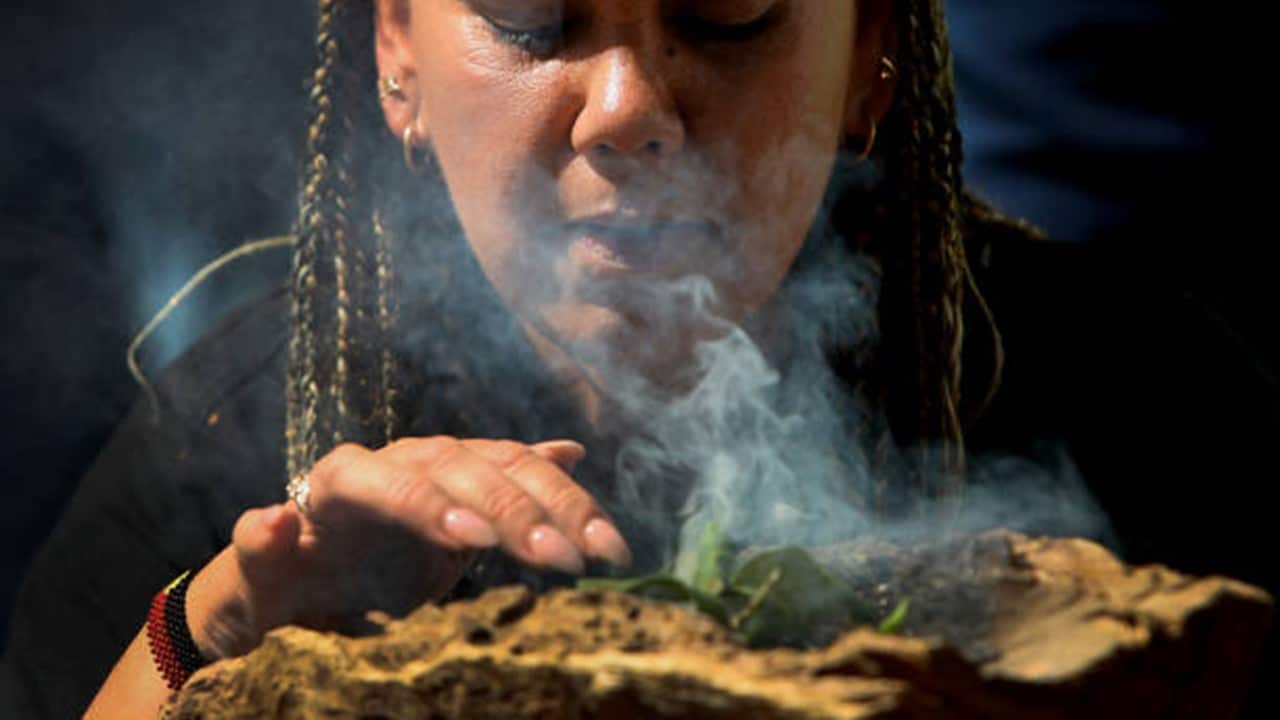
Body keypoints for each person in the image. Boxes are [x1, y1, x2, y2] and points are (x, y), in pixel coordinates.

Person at [2, 0, 1089, 717]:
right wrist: (229, 621)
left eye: (730, 7)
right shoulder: (222, 450)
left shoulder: (1127, 402)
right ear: (397, 51)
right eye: (528, 12)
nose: (624, 112)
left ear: (866, 53)